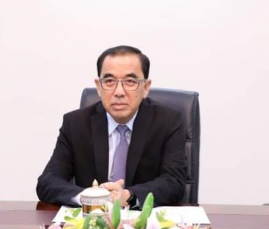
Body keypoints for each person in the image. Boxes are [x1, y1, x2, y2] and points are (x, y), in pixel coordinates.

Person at [37, 45, 187, 208]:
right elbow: (48, 182)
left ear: (146, 87)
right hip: (92, 220)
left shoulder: (168, 121)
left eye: (130, 81)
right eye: (109, 81)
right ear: (98, 86)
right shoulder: (75, 124)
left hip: (144, 219)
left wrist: (128, 196)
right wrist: (90, 198)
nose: (119, 92)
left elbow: (174, 182)